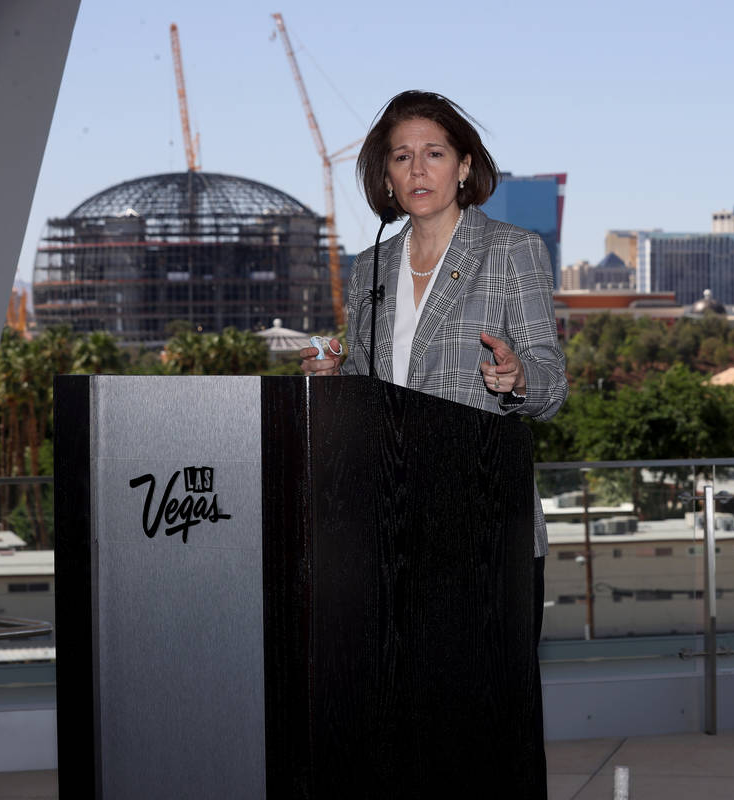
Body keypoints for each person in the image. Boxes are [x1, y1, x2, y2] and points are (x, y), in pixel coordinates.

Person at [300, 90, 568, 793]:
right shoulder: (370, 269)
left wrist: (516, 377)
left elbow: (552, 381)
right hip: (389, 531)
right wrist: (336, 377)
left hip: (484, 527)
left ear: (464, 166)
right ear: (385, 177)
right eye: (401, 156)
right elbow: (373, 384)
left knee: (489, 732)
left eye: (434, 153)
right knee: (400, 724)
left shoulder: (510, 251)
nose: (418, 169)